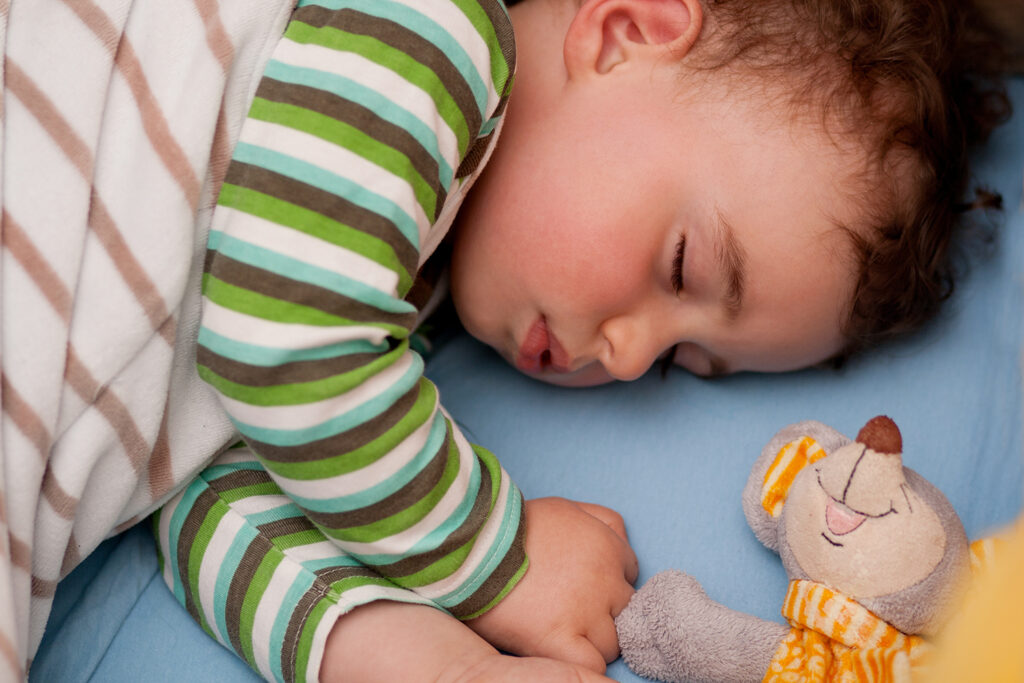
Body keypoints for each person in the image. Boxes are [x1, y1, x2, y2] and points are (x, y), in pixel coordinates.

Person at [0, 0, 1007, 680]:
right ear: (624, 32)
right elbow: (281, 343)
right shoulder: (428, 39)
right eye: (680, 268)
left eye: (677, 361)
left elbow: (206, 492)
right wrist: (500, 554)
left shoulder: (393, 331)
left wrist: (440, 661)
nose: (627, 357)